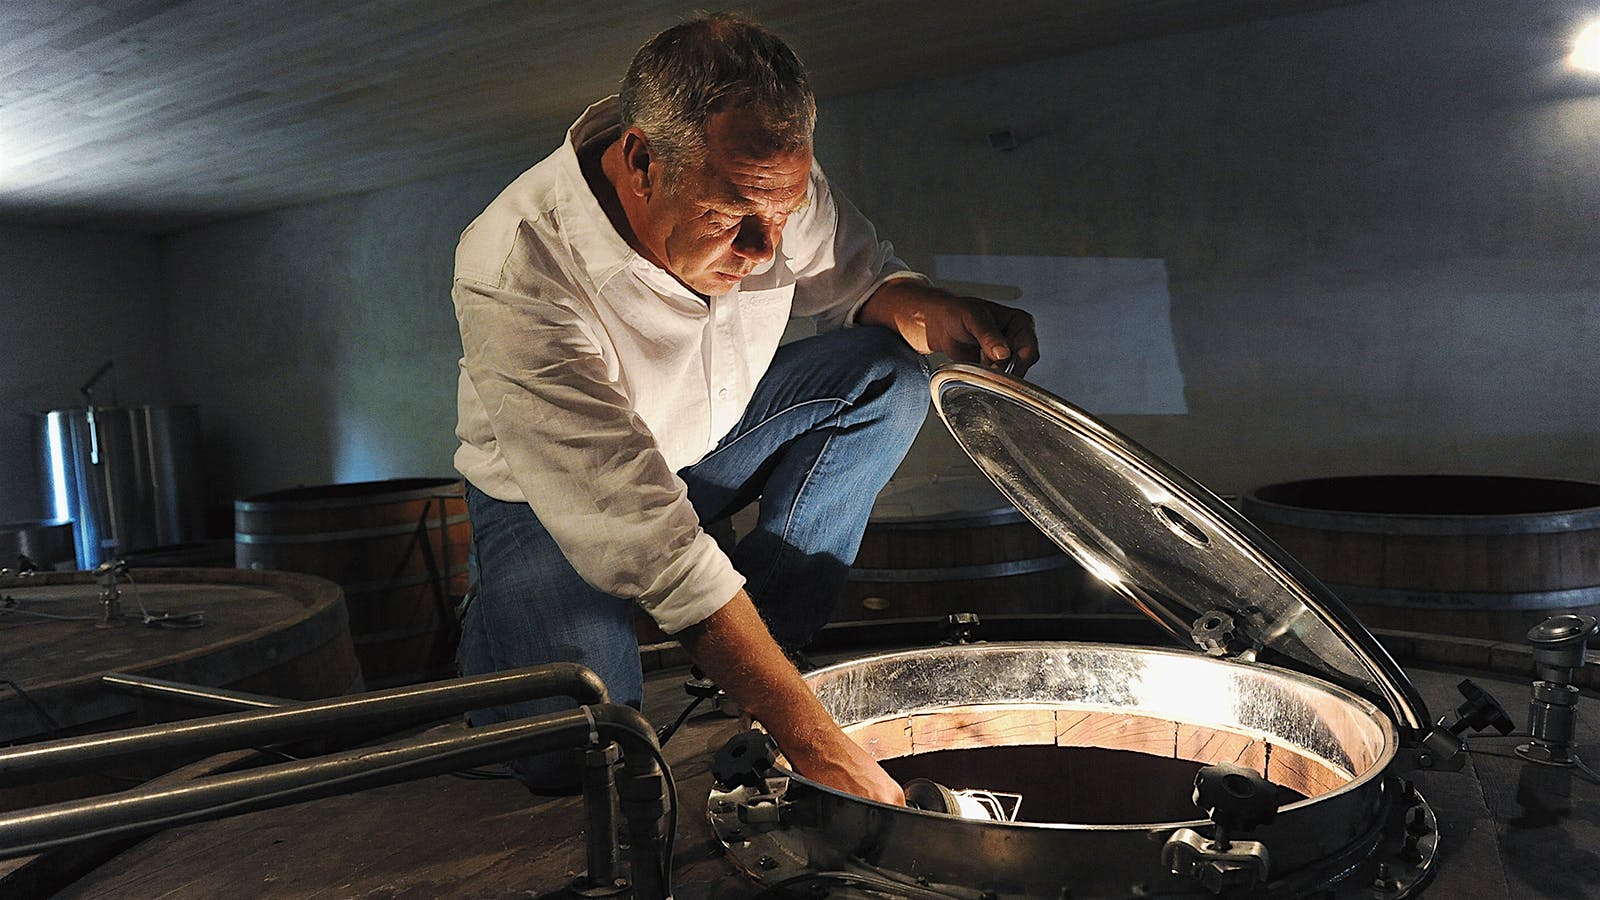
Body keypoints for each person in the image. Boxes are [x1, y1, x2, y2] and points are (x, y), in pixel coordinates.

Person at [450, 13, 1037, 805]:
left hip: (704, 443)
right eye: (729, 216)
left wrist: (938, 310)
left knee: (888, 375)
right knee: (580, 749)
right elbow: (646, 537)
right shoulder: (516, 265)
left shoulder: (767, 178)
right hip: (546, 501)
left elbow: (861, 285)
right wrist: (813, 741)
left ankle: (770, 645)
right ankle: (490, 631)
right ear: (642, 161)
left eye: (783, 213)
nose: (765, 250)